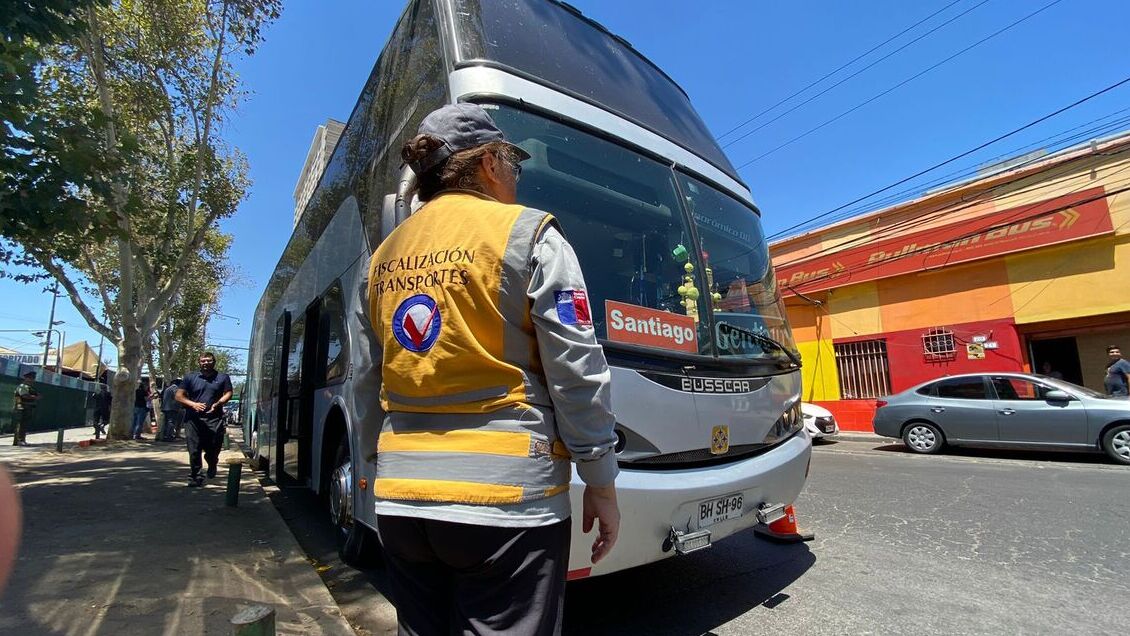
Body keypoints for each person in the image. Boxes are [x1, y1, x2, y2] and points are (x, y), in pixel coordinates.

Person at [365, 103, 620, 635]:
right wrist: (600, 480)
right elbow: (576, 366)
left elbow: (373, 378)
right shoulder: (528, 234)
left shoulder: (384, 256)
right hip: (504, 503)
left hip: (401, 502)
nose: (515, 178)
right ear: (488, 164)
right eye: (513, 164)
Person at [176, 353, 232, 487]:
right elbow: (179, 396)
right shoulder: (190, 377)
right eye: (203, 361)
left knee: (213, 448)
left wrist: (219, 403)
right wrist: (192, 404)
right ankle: (196, 476)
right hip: (193, 420)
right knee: (194, 449)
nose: (205, 363)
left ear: (214, 362)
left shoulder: (223, 377)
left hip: (214, 418)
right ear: (199, 363)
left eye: (209, 360)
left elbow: (228, 393)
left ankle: (212, 462)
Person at [11, 371, 39, 446]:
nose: (32, 380)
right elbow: (24, 396)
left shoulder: (29, 387)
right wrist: (35, 397)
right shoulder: (22, 386)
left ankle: (21, 440)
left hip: (27, 407)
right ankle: (19, 440)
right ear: (26, 378)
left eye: (33, 378)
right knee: (21, 424)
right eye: (30, 378)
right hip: (21, 408)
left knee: (24, 424)